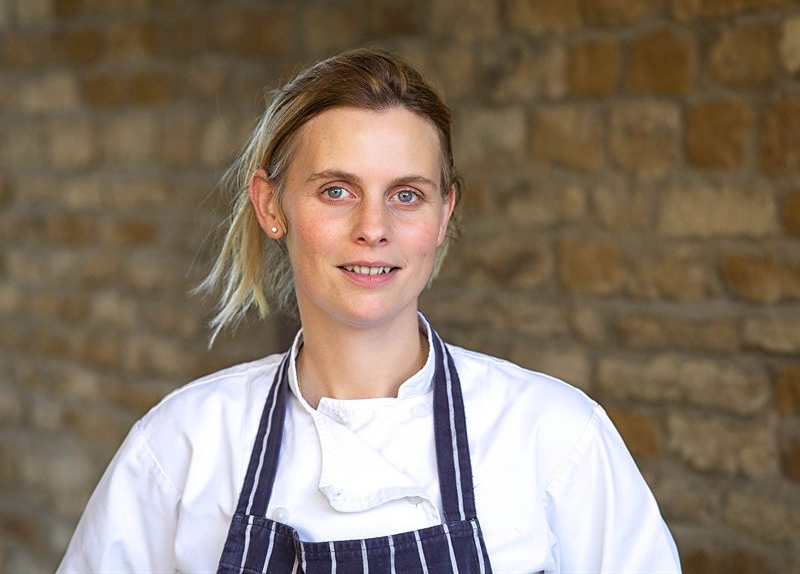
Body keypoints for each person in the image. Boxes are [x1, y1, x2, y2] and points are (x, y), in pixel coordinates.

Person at [57, 47, 681, 573]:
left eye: (406, 195)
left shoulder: (556, 437)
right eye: (337, 191)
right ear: (271, 207)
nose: (373, 227)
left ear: (443, 214)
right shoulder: (181, 446)